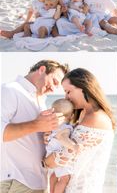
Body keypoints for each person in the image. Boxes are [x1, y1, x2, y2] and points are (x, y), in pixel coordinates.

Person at [1, 60, 69, 193]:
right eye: (54, 82)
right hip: (17, 181)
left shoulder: (41, 101)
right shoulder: (10, 90)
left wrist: (47, 136)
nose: (53, 89)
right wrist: (37, 125)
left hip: (38, 182)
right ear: (42, 70)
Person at [44, 68, 115, 193]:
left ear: (83, 87)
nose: (66, 97)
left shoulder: (94, 117)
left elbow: (62, 157)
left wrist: (45, 162)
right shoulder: (84, 115)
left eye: (68, 91)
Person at [46, 99, 76, 193]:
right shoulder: (66, 127)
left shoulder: (53, 127)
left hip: (50, 154)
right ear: (72, 116)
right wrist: (74, 146)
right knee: (64, 178)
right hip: (57, 154)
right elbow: (62, 138)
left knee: (55, 174)